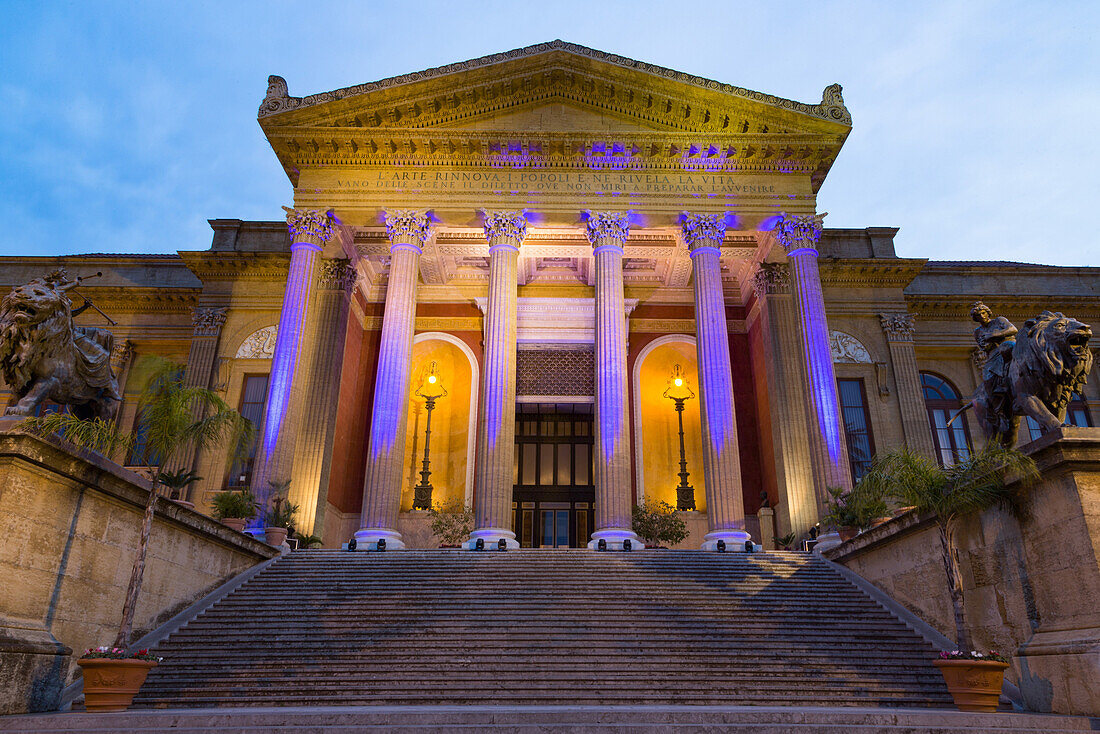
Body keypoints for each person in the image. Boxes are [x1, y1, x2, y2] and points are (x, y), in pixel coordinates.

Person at [970, 301, 1017, 436]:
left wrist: (993, 335)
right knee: (988, 376)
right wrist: (986, 343)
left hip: (1008, 346)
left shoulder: (999, 321)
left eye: (983, 313)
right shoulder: (978, 332)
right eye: (978, 316)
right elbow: (983, 346)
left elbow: (1013, 329)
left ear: (988, 313)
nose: (982, 317)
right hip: (993, 354)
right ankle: (999, 410)